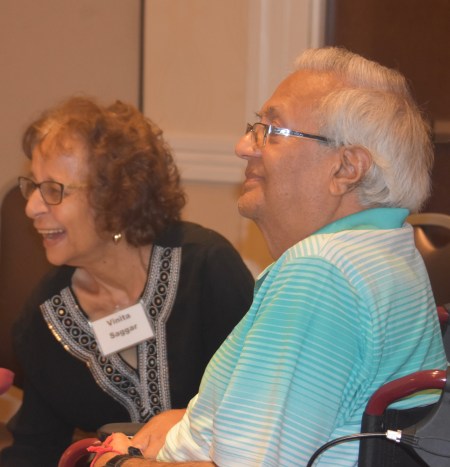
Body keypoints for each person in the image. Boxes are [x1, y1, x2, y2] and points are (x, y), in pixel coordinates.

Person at [92, 46, 448, 467]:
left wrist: (120, 463)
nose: (244, 146)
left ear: (346, 168)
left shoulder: (320, 274)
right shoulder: (388, 250)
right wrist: (193, 419)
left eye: (272, 131)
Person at [0, 97, 254, 466]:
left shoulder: (205, 269)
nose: (31, 207)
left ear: (116, 196)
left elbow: (262, 404)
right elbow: (36, 450)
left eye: (53, 189)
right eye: (33, 187)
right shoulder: (46, 318)